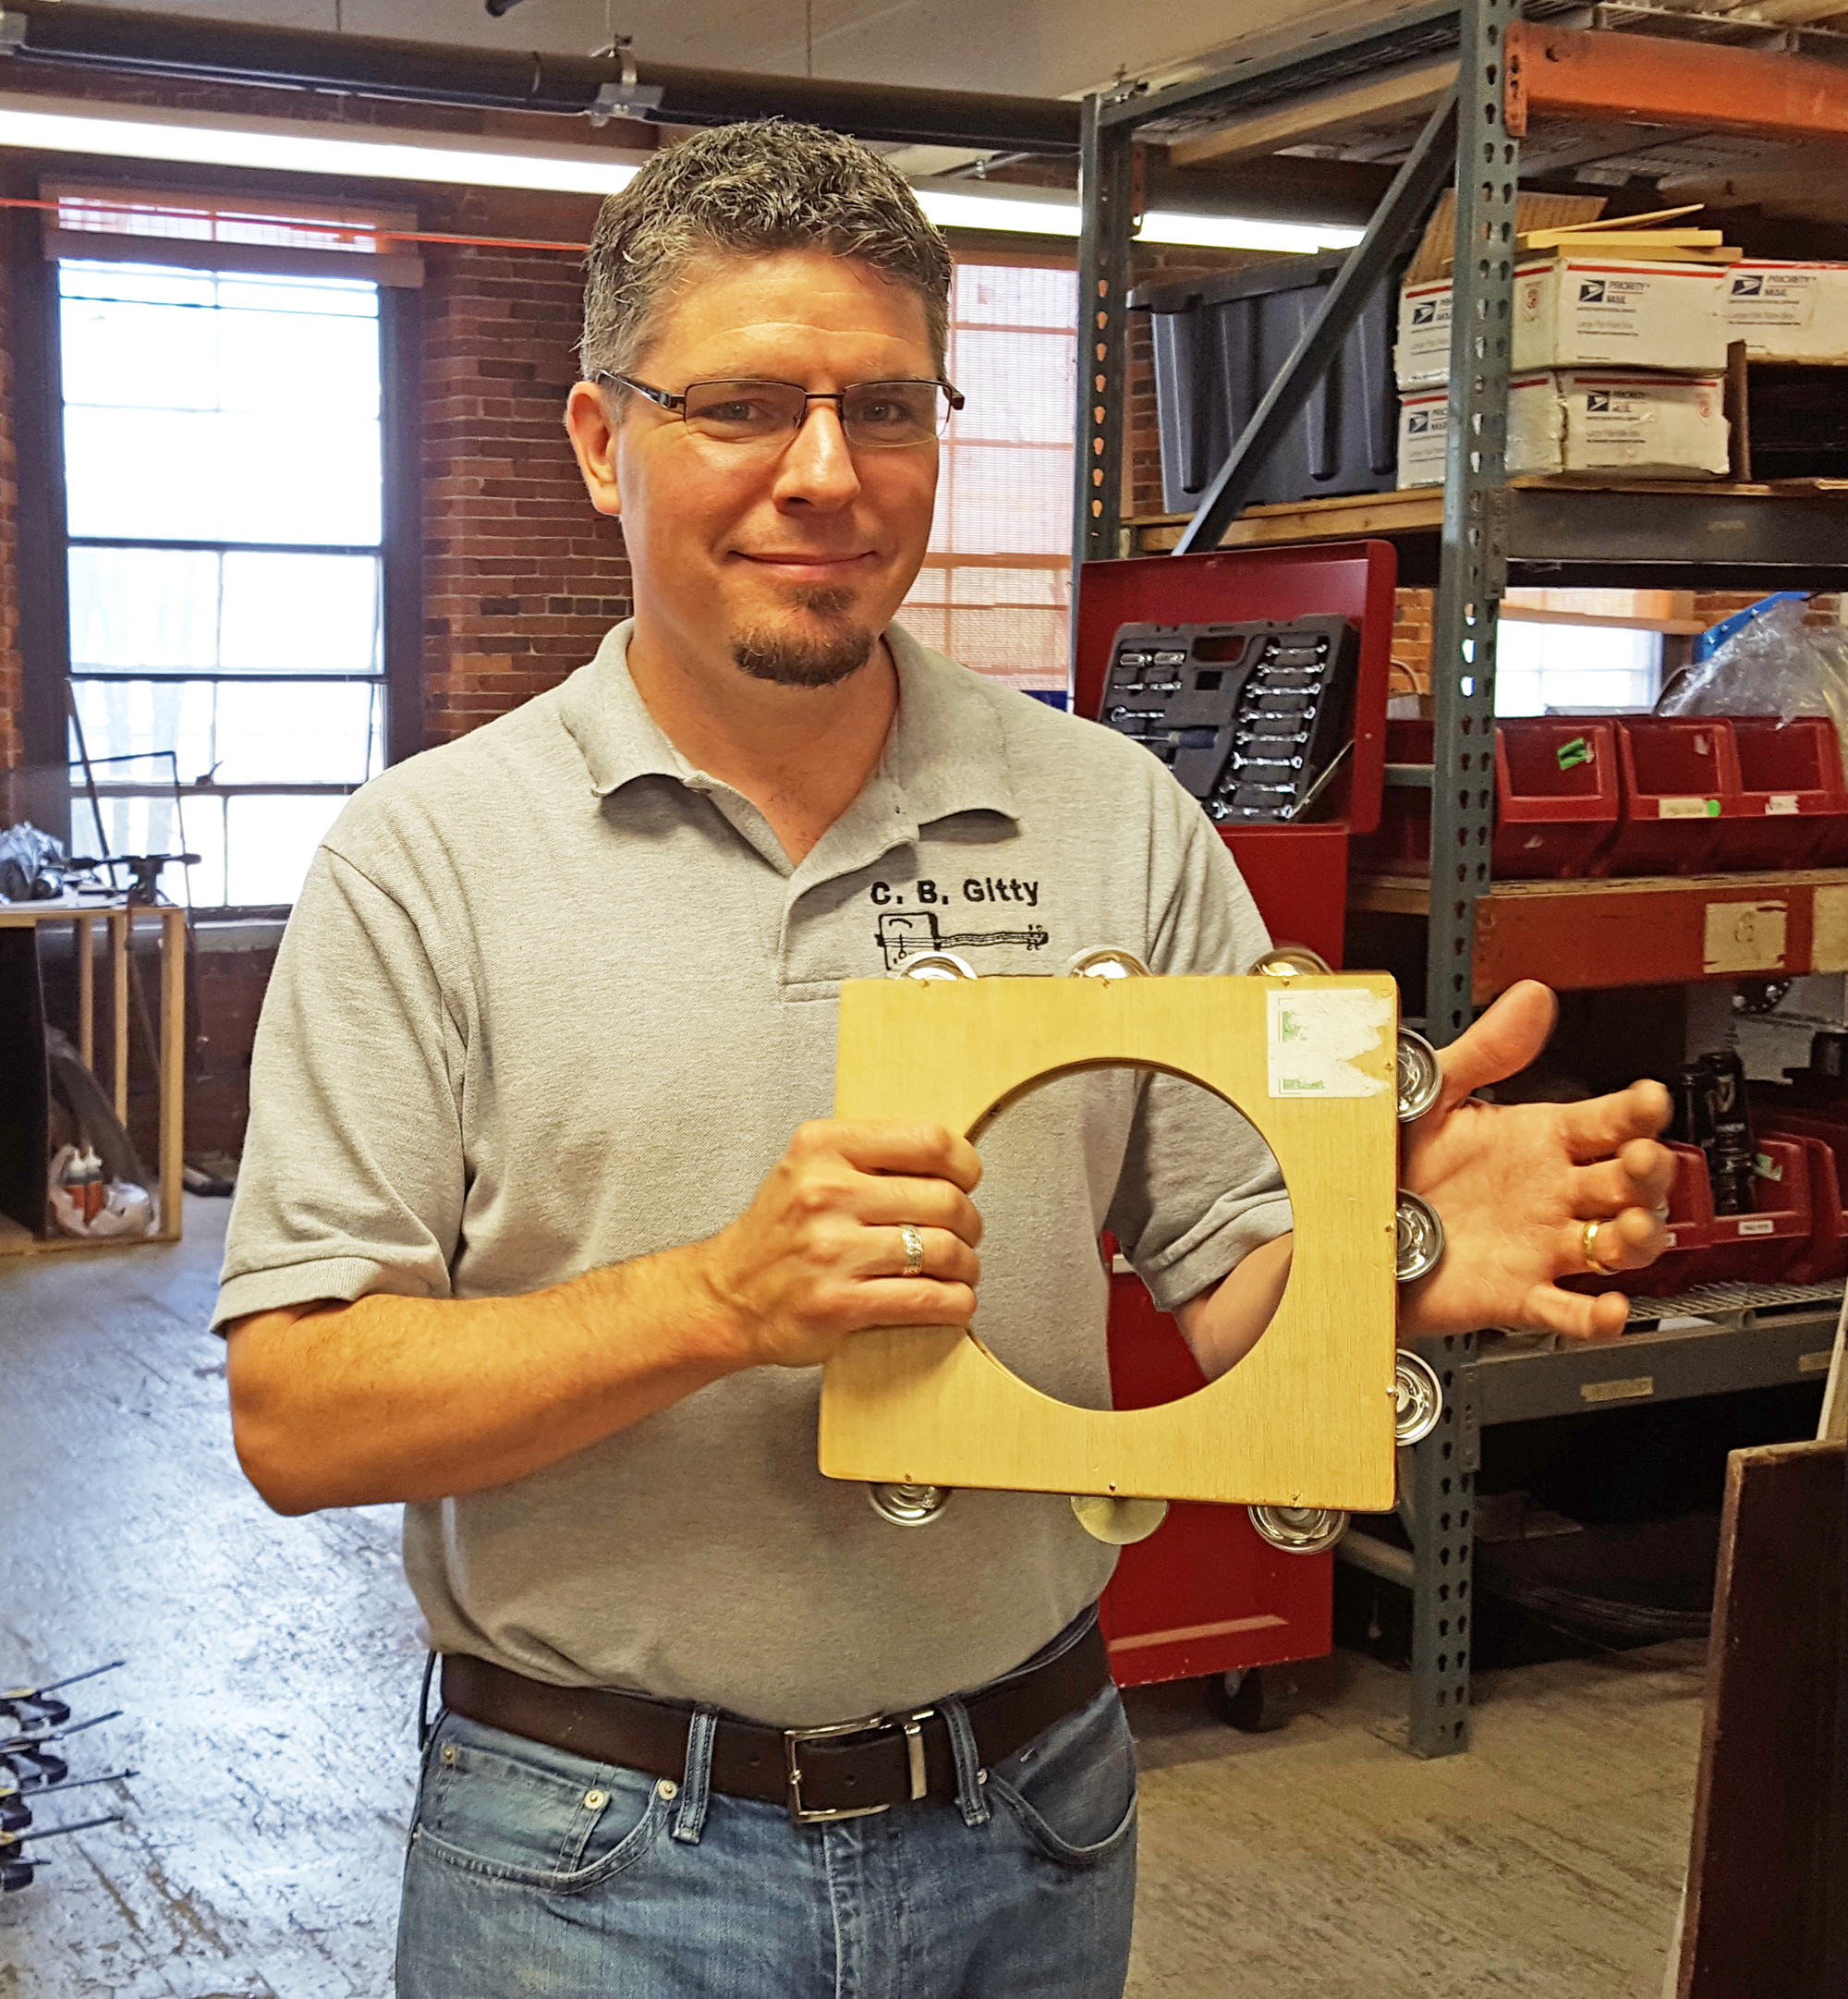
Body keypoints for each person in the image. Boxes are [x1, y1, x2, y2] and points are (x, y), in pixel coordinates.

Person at [216, 121, 1672, 1998]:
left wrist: (1384, 1244)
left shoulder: (1112, 817)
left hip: (1033, 1819)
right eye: (741, 404)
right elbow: (301, 1410)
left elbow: (1239, 1286)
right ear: (601, 440)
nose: (823, 475)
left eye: (886, 408)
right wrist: (720, 1299)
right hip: (585, 1856)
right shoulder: (426, 865)